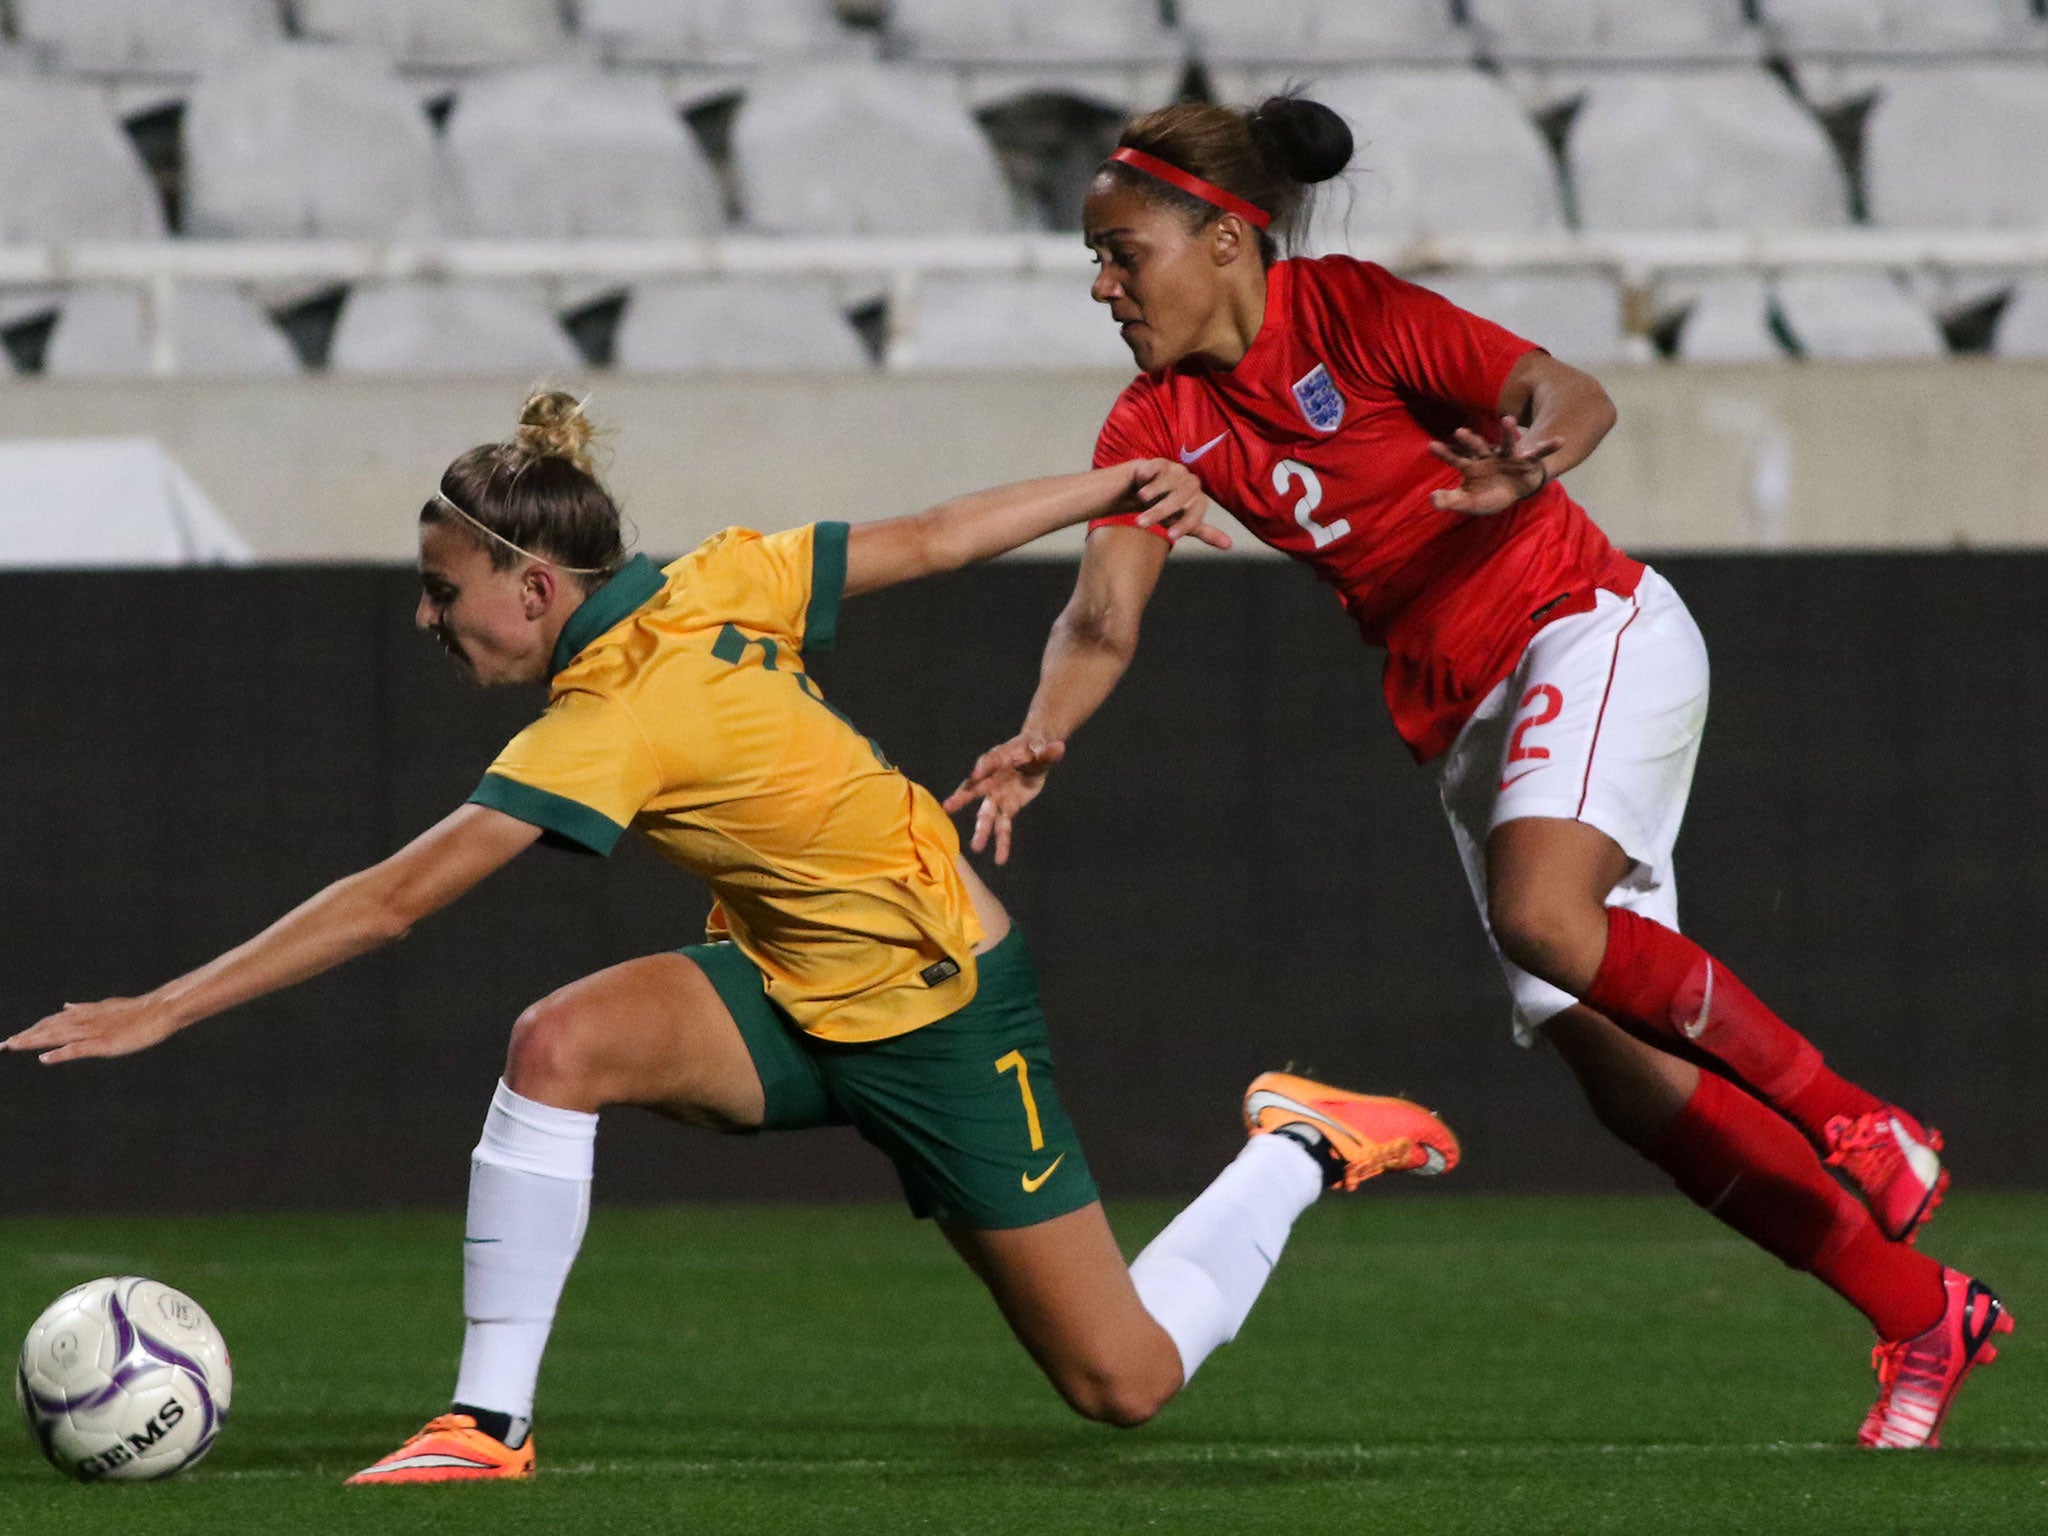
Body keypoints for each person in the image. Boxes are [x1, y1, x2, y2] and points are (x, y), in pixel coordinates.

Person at [5, 391, 1460, 1484]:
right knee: (558, 1046)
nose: (427, 618)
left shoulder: (611, 717)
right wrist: (1120, 481)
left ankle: (1299, 1140)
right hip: (783, 989)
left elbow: (395, 896)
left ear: (535, 587)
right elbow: (945, 536)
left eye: (443, 592)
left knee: (1123, 1383)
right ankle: (487, 1422)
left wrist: (164, 1010)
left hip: (941, 1011)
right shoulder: (718, 576)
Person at [943, 97, 2011, 1451]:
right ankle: (1924, 1312)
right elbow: (1102, 617)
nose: (1102, 283)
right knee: (1614, 1064)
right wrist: (1045, 732)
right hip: (1467, 721)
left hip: (1586, 623)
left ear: (1224, 238)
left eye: (1121, 251)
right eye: (1094, 258)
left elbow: (1569, 390)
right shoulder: (1158, 419)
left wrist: (1532, 457)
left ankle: (1858, 1122)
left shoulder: (1357, 316)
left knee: (1548, 922)